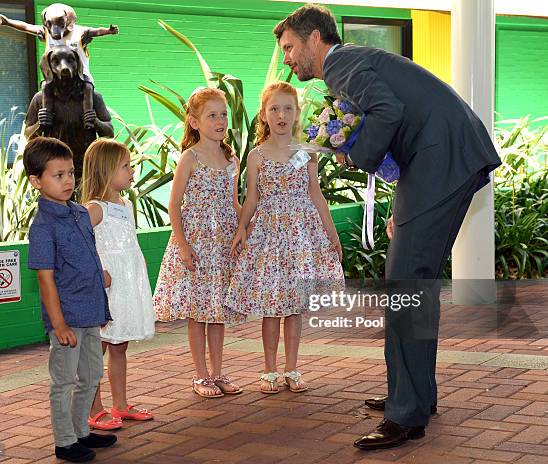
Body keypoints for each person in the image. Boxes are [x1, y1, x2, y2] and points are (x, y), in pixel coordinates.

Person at [274, 4, 501, 449]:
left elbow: (387, 111)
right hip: (445, 159)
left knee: (403, 288)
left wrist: (355, 155)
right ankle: (415, 395)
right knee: (416, 286)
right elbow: (398, 118)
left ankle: (406, 416)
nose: (286, 58)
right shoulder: (356, 60)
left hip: (441, 161)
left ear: (315, 39)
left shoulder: (341, 64)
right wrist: (398, 198)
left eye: (289, 48)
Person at [226, 82, 344, 394]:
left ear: (296, 114)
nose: (281, 114)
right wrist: (241, 229)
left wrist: (332, 234)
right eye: (274, 108)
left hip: (301, 238)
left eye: (288, 108)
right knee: (271, 305)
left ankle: (292, 368)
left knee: (294, 306)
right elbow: (250, 198)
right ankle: (269, 370)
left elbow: (316, 195)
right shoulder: (257, 156)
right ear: (263, 115)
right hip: (269, 238)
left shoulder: (306, 154)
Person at [24, 136, 117, 462]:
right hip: (67, 317)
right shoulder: (43, 226)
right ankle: (65, 442)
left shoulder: (79, 213)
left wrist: (100, 273)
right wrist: (58, 323)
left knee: (91, 375)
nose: (67, 181)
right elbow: (45, 278)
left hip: (91, 310)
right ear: (36, 181)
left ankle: (81, 430)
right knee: (64, 381)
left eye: (70, 173)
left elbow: (86, 254)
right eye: (57, 175)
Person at [153, 88, 246, 398]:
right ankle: (200, 375)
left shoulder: (230, 157)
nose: (220, 121)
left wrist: (243, 228)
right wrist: (183, 246)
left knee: (216, 311)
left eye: (223, 115)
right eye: (212, 115)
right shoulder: (189, 158)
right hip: (195, 243)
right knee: (197, 312)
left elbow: (234, 202)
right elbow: (173, 205)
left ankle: (219, 372)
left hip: (222, 245)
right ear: (194, 122)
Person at [80, 138, 156, 431]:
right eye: (126, 166)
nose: (132, 171)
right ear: (106, 170)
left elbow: (128, 239)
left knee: (119, 344)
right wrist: (98, 270)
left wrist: (137, 261)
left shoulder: (125, 205)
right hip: (107, 287)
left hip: (126, 284)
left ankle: (120, 404)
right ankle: (92, 407)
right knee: (96, 348)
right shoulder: (94, 208)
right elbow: (80, 243)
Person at [0, 3, 118, 129]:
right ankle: (46, 115)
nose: (55, 30)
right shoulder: (46, 32)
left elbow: (96, 31)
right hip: (54, 78)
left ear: (68, 21)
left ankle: (87, 116)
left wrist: (108, 31)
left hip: (79, 76)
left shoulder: (80, 33)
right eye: (50, 25)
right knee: (45, 86)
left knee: (88, 87)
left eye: (59, 24)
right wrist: (7, 22)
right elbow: (26, 27)